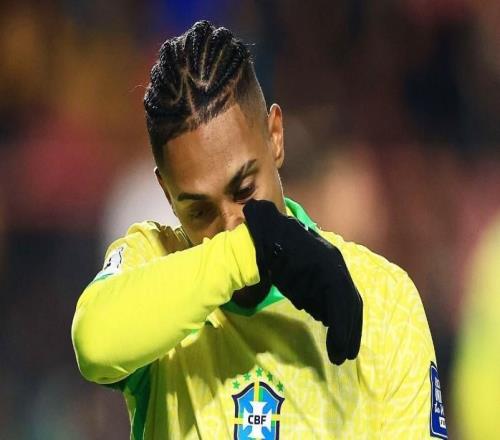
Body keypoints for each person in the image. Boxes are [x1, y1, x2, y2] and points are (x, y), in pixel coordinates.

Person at [71, 20, 447, 439]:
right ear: (167, 193)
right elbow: (93, 344)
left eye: (245, 189)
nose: (231, 225)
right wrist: (251, 251)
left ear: (275, 136)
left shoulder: (384, 298)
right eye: (199, 211)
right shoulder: (156, 260)